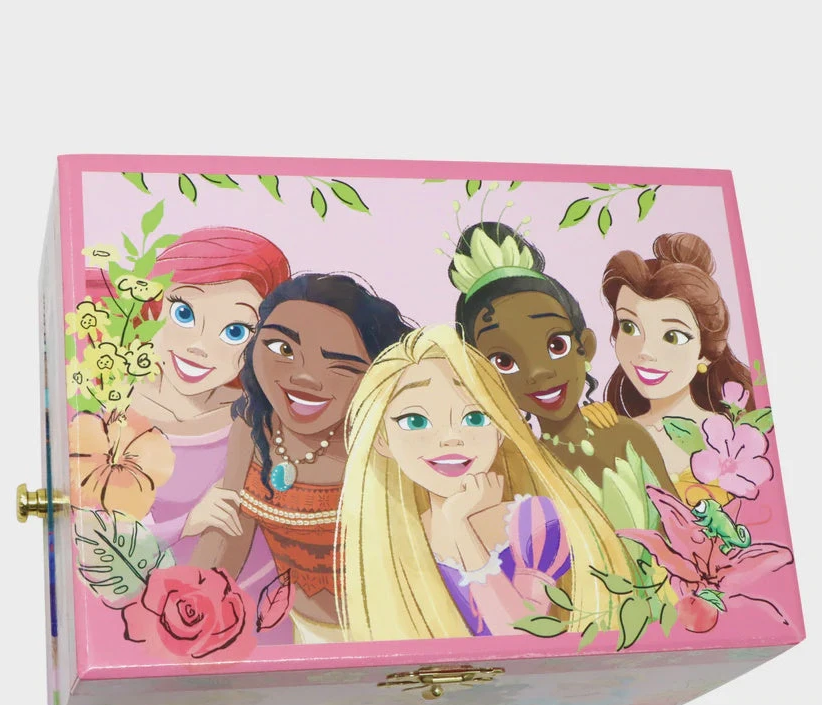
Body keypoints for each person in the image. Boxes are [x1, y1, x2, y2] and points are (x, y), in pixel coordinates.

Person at [336, 324, 633, 642]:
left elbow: (523, 635)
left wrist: (460, 527)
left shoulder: (531, 521)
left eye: (475, 418)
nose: (451, 439)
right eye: (415, 421)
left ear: (501, 428)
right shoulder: (395, 541)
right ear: (381, 438)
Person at [191, 273, 413, 643]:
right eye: (281, 348)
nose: (305, 377)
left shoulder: (386, 441)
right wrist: (181, 604)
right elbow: (229, 536)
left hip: (397, 631)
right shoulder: (252, 427)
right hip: (304, 633)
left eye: (341, 364)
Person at [97, 226, 292, 594]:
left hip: (253, 598)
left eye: (235, 331)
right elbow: (94, 541)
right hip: (148, 603)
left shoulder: (254, 416)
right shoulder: (110, 411)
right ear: (154, 305)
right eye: (183, 313)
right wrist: (187, 523)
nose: (199, 346)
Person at [450, 222, 676, 495]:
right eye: (504, 362)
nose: (538, 372)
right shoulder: (523, 472)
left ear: (586, 346)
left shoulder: (628, 437)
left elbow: (679, 517)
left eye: (557, 345)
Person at [602, 232, 754, 499]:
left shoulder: (733, 439)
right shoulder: (613, 436)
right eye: (629, 327)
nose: (645, 351)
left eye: (673, 336)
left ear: (705, 353)